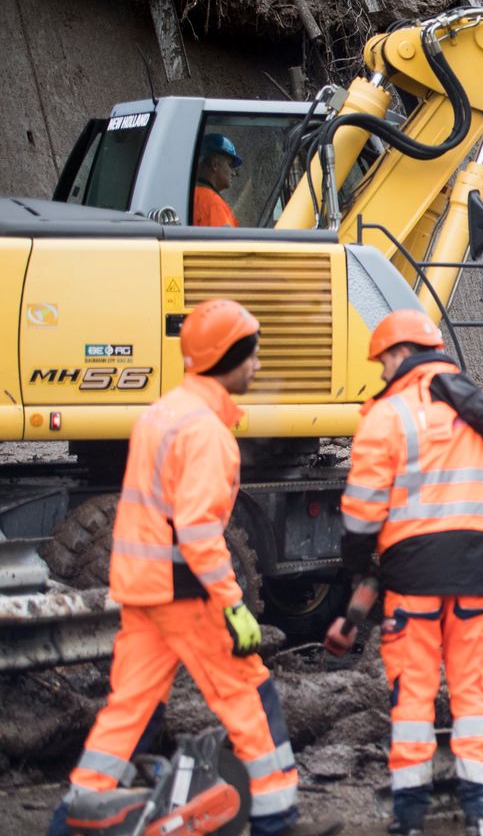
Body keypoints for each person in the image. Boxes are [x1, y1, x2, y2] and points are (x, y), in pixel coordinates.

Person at [50, 300, 339, 836]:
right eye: (250, 356)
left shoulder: (162, 414)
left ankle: (74, 814)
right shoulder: (206, 433)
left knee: (132, 702)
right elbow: (200, 531)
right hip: (185, 591)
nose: (256, 367)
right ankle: (278, 817)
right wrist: (232, 606)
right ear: (227, 358)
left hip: (142, 589)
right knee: (250, 693)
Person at [340, 309, 483, 836]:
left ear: (400, 356)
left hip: (412, 585)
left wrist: (355, 575)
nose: (381, 372)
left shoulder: (387, 416)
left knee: (413, 697)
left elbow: (360, 515)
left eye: (382, 362)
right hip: (478, 581)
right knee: (474, 697)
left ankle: (408, 820)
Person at [194, 132, 242, 227]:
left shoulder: (192, 194)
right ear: (215, 164)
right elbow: (226, 241)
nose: (233, 173)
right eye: (230, 165)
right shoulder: (213, 203)